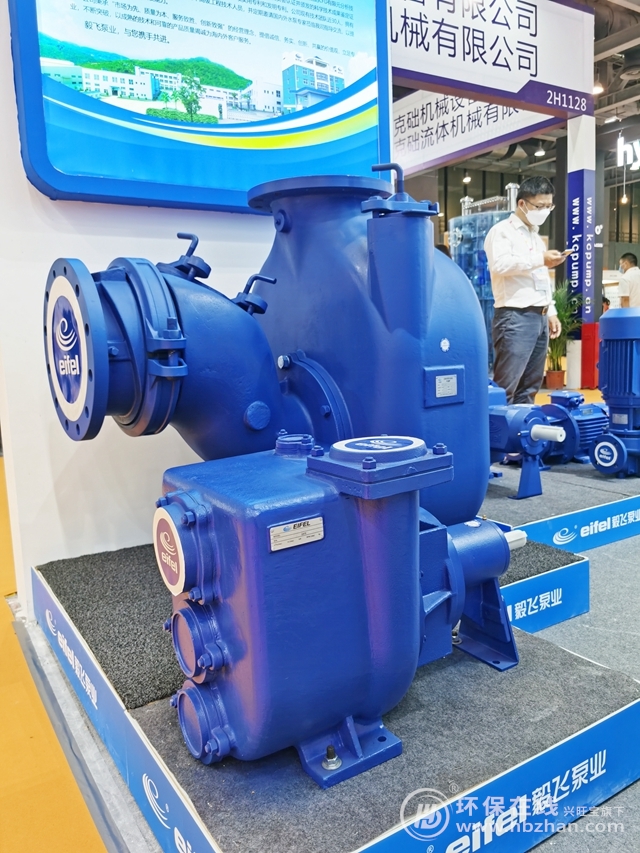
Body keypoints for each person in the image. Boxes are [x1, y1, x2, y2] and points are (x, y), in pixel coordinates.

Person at [484, 176, 566, 405]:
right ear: (522, 203)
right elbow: (500, 265)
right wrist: (540, 259)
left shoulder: (535, 236)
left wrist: (551, 311)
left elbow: (540, 277)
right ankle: (496, 428)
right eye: (540, 206)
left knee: (529, 388)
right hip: (515, 316)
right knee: (506, 388)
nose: (545, 211)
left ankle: (521, 427)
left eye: (549, 206)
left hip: (539, 317)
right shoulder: (502, 232)